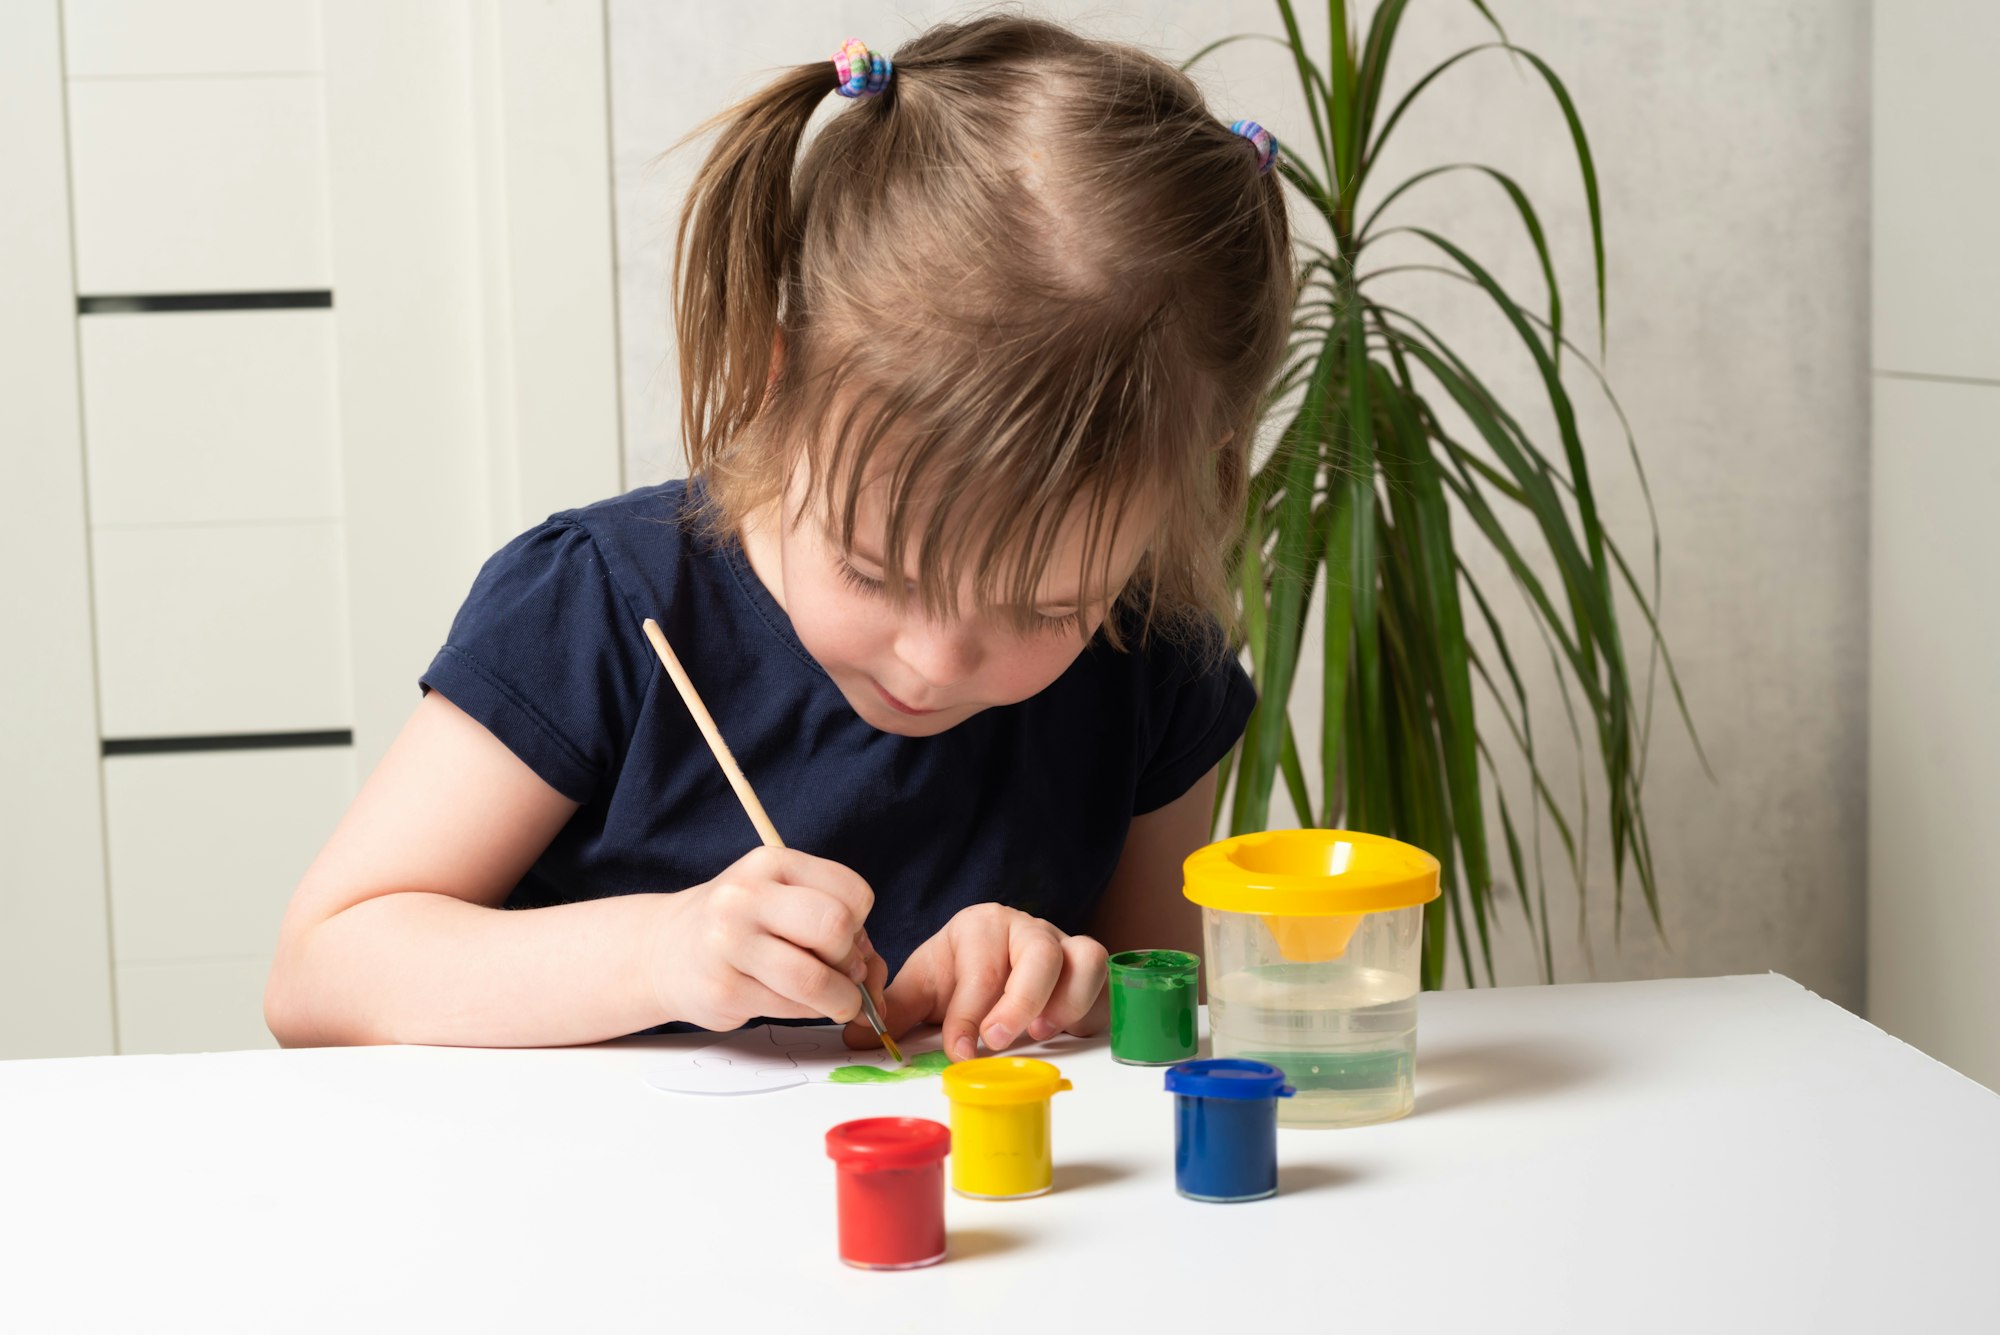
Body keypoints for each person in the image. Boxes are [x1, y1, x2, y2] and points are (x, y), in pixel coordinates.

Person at [264, 16, 1293, 1061]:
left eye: (1044, 607)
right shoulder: (599, 610)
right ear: (776, 386)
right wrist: (656, 952)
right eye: (873, 567)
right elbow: (318, 972)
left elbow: (1164, 1010)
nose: (935, 661)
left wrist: (1059, 983)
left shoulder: (1147, 657)